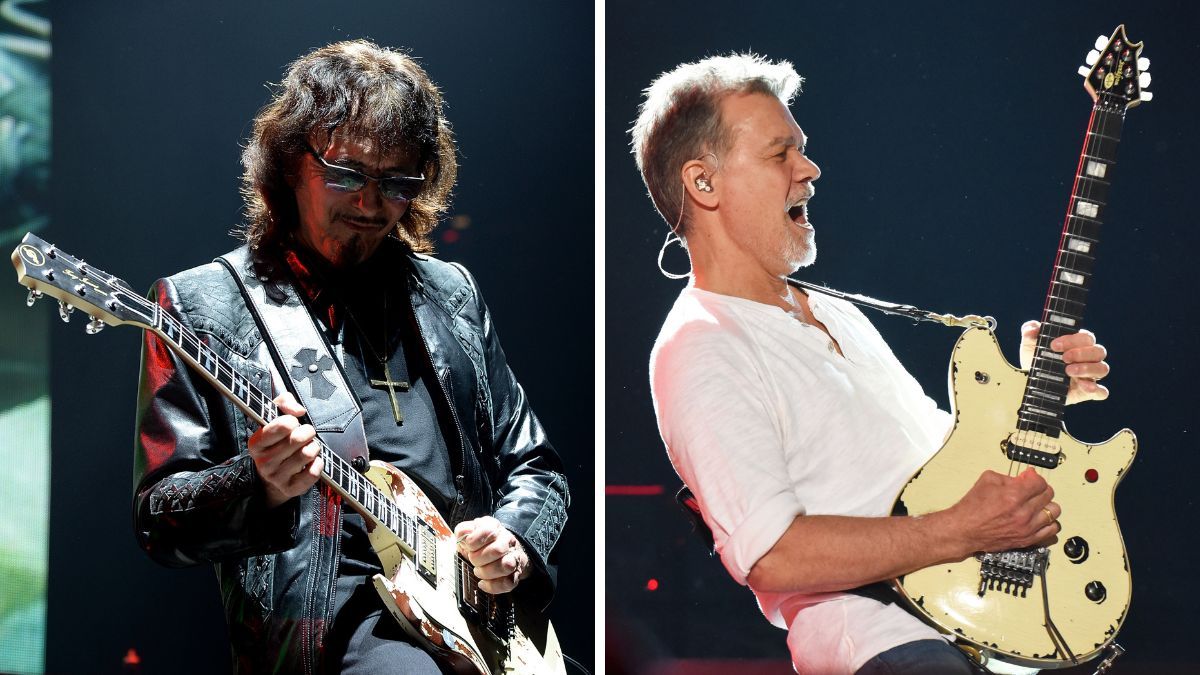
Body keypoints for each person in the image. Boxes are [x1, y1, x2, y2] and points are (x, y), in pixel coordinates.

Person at [633, 54, 1111, 675]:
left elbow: (943, 461)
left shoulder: (836, 312)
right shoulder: (702, 344)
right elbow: (771, 554)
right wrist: (959, 531)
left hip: (988, 626)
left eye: (800, 150)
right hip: (890, 645)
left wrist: (1035, 391)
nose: (809, 169)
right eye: (780, 154)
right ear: (703, 183)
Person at [132, 41, 568, 674]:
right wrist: (257, 484)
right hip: (337, 634)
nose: (369, 203)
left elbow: (537, 465)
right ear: (288, 163)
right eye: (345, 174)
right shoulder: (203, 305)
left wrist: (516, 539)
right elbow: (157, 519)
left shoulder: (450, 295)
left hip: (479, 628)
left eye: (396, 183)